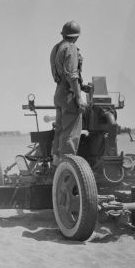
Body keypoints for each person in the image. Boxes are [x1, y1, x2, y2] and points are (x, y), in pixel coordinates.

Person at [50, 20, 87, 167]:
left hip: (59, 92)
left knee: (60, 129)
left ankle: (56, 160)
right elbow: (72, 75)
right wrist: (79, 97)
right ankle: (68, 165)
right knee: (71, 132)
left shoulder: (57, 47)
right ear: (76, 36)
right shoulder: (70, 48)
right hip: (68, 94)